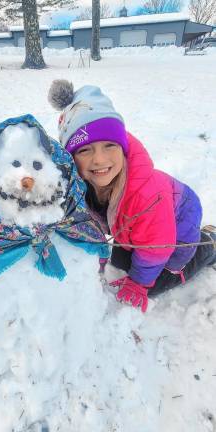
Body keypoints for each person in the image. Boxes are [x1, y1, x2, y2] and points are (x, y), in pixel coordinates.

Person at [48, 80, 216, 313]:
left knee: (156, 282)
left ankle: (209, 245)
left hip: (177, 228)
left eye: (109, 145)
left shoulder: (147, 197)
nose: (99, 159)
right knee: (120, 260)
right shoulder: (83, 185)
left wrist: (139, 284)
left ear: (123, 149)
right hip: (146, 227)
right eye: (85, 150)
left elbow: (155, 249)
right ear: (72, 158)